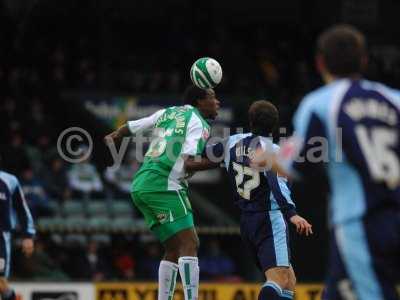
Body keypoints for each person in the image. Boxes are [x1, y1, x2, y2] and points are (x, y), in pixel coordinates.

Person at [252, 24, 400, 300]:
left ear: (320, 63)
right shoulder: (393, 99)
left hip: (360, 223)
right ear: (364, 60)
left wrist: (267, 157)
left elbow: (296, 164)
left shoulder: (321, 103)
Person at [186, 100, 313, 300]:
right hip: (270, 219)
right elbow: (275, 182)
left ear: (250, 120)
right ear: (274, 124)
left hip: (247, 221)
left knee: (289, 280)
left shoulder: (232, 142)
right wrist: (292, 214)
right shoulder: (272, 150)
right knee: (278, 280)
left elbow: (204, 151)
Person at [104, 85, 220, 300]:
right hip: (164, 185)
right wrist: (216, 162)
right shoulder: (199, 122)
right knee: (190, 243)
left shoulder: (168, 112)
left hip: (141, 184)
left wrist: (115, 135)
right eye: (213, 97)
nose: (217, 102)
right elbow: (189, 163)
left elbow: (133, 126)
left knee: (174, 248)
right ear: (199, 101)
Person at [0, 159, 35, 300]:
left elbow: (22, 209)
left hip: (0, 237)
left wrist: (28, 235)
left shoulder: (9, 180)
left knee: (1, 282)